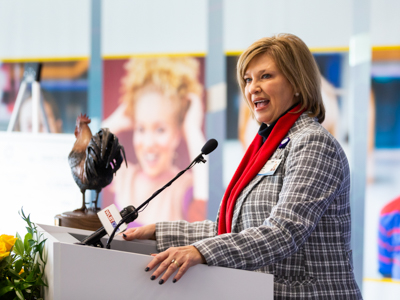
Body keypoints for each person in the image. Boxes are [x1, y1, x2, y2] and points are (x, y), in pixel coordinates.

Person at [123, 34, 362, 299]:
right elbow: (232, 228)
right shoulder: (269, 145)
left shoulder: (312, 143)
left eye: (265, 76)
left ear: (296, 82)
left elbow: (284, 232)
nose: (253, 88)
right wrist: (158, 231)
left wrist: (202, 252)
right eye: (248, 79)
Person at [102, 57, 207, 225]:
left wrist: (192, 130)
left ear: (177, 134)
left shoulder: (183, 187)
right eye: (141, 128)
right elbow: (83, 164)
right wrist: (111, 124)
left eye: (160, 130)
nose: (149, 143)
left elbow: (207, 207)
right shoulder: (124, 177)